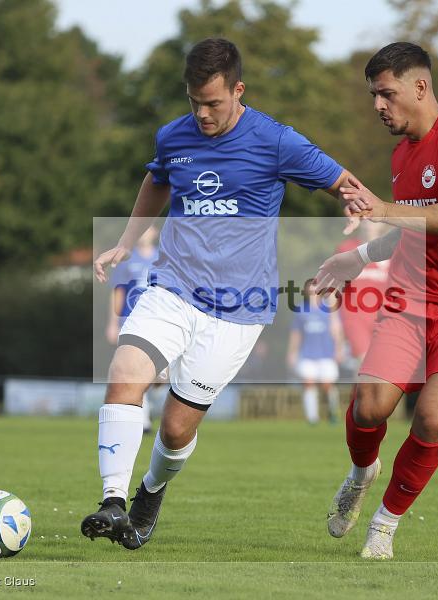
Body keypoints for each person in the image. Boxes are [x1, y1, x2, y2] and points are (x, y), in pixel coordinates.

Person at [82, 38, 362, 550]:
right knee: (125, 374)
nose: (202, 114)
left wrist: (357, 204)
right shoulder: (173, 136)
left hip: (238, 313)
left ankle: (151, 490)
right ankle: (113, 502)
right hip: (172, 287)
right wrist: (126, 242)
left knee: (174, 430)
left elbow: (341, 179)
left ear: (239, 90)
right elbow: (157, 180)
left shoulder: (277, 141)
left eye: (213, 103)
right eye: (194, 102)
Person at [313, 42, 438, 559]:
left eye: (386, 94)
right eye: (373, 96)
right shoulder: (402, 153)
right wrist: (359, 256)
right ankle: (362, 474)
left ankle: (384, 523)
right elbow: (413, 228)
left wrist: (383, 207)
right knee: (370, 407)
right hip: (411, 300)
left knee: (431, 416)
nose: (378, 106)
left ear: (419, 87)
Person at [107, 226, 160, 434]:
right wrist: (113, 322)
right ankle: (143, 419)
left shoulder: (164, 257)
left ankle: (151, 404)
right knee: (136, 370)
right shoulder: (128, 259)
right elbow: (118, 292)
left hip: (159, 321)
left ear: (155, 232)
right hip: (132, 321)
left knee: (162, 376)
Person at [334, 220, 392, 363]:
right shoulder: (347, 249)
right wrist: (333, 319)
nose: (368, 223)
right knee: (364, 362)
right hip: (354, 317)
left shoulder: (391, 251)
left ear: (382, 224)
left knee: (382, 366)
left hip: (384, 319)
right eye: (365, 219)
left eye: (373, 220)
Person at [287, 282, 344, 425]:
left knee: (327, 385)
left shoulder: (329, 310)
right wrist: (292, 352)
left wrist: (339, 349)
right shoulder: (301, 310)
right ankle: (312, 418)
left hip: (326, 353)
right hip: (307, 354)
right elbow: (296, 334)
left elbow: (337, 331)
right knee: (308, 383)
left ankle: (333, 413)